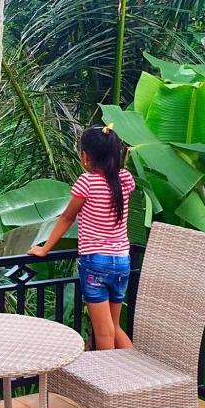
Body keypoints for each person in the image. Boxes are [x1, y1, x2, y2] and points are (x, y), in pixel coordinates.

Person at [29, 124, 135, 349]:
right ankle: (136, 368)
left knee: (104, 332)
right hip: (121, 261)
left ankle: (110, 373)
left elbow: (67, 218)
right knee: (114, 327)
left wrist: (44, 248)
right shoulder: (125, 179)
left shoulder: (86, 183)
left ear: (85, 157)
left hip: (95, 262)